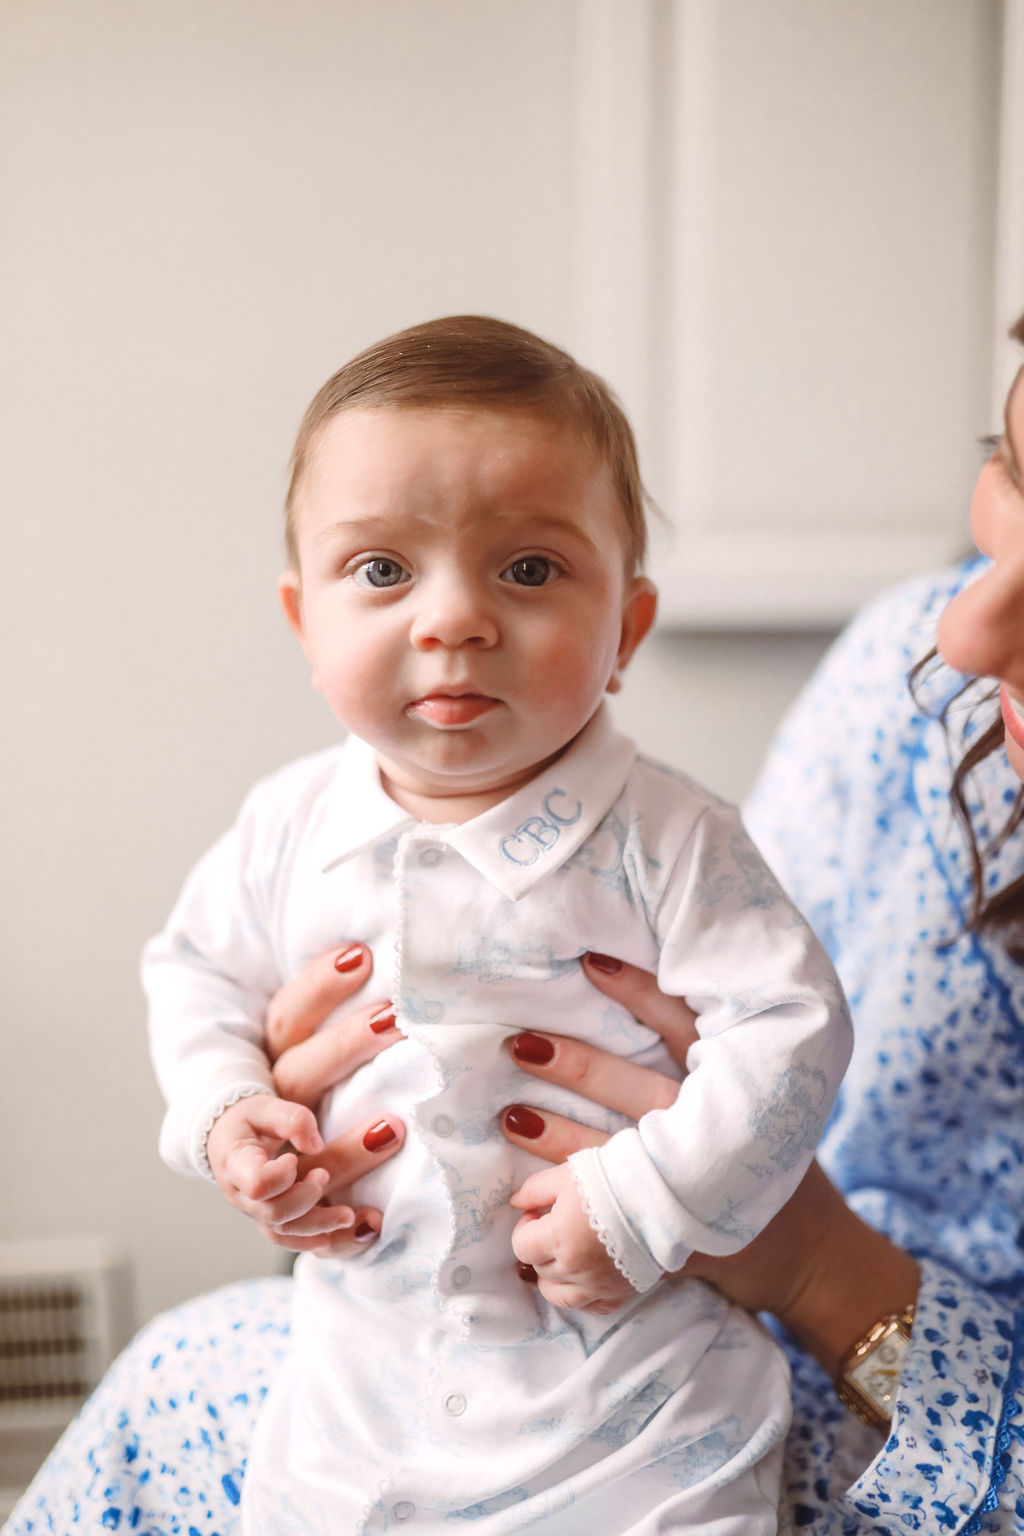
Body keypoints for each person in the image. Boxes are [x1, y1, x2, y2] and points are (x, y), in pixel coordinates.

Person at [8, 311, 1024, 1535]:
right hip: (361, 1387)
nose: (453, 621)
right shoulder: (287, 825)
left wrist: (651, 1199)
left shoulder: (671, 840)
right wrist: (234, 1114)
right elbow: (193, 978)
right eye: (381, 571)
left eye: (529, 570)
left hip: (642, 1400)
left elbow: (791, 1026)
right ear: (302, 620)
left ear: (626, 632)